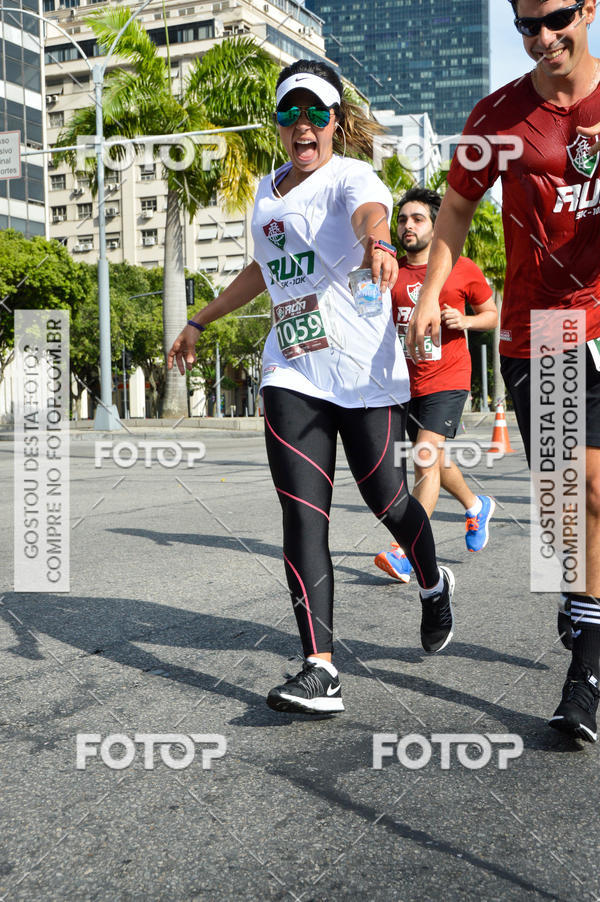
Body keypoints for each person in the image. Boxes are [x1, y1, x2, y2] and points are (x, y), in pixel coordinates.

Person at [168, 59, 455, 716]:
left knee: (389, 502)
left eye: (315, 113)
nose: (303, 125)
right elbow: (266, 271)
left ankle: (433, 584)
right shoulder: (266, 196)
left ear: (334, 121)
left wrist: (380, 242)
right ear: (278, 124)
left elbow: (369, 215)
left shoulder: (352, 177)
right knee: (304, 515)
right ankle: (319, 667)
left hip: (364, 374)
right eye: (290, 113)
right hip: (293, 369)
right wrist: (198, 320)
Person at [406, 0, 600, 742]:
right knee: (561, 507)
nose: (543, 37)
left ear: (588, 8)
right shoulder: (499, 117)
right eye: (527, 26)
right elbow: (453, 211)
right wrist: (430, 293)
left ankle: (584, 670)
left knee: (591, 488)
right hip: (539, 330)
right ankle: (579, 602)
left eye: (556, 17)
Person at [373, 188, 498, 584]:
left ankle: (407, 552)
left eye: (418, 219)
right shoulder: (389, 272)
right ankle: (476, 505)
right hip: (405, 384)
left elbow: (492, 315)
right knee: (435, 460)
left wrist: (465, 322)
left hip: (449, 377)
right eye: (402, 219)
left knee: (425, 458)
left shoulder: (461, 268)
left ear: (435, 224)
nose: (407, 226)